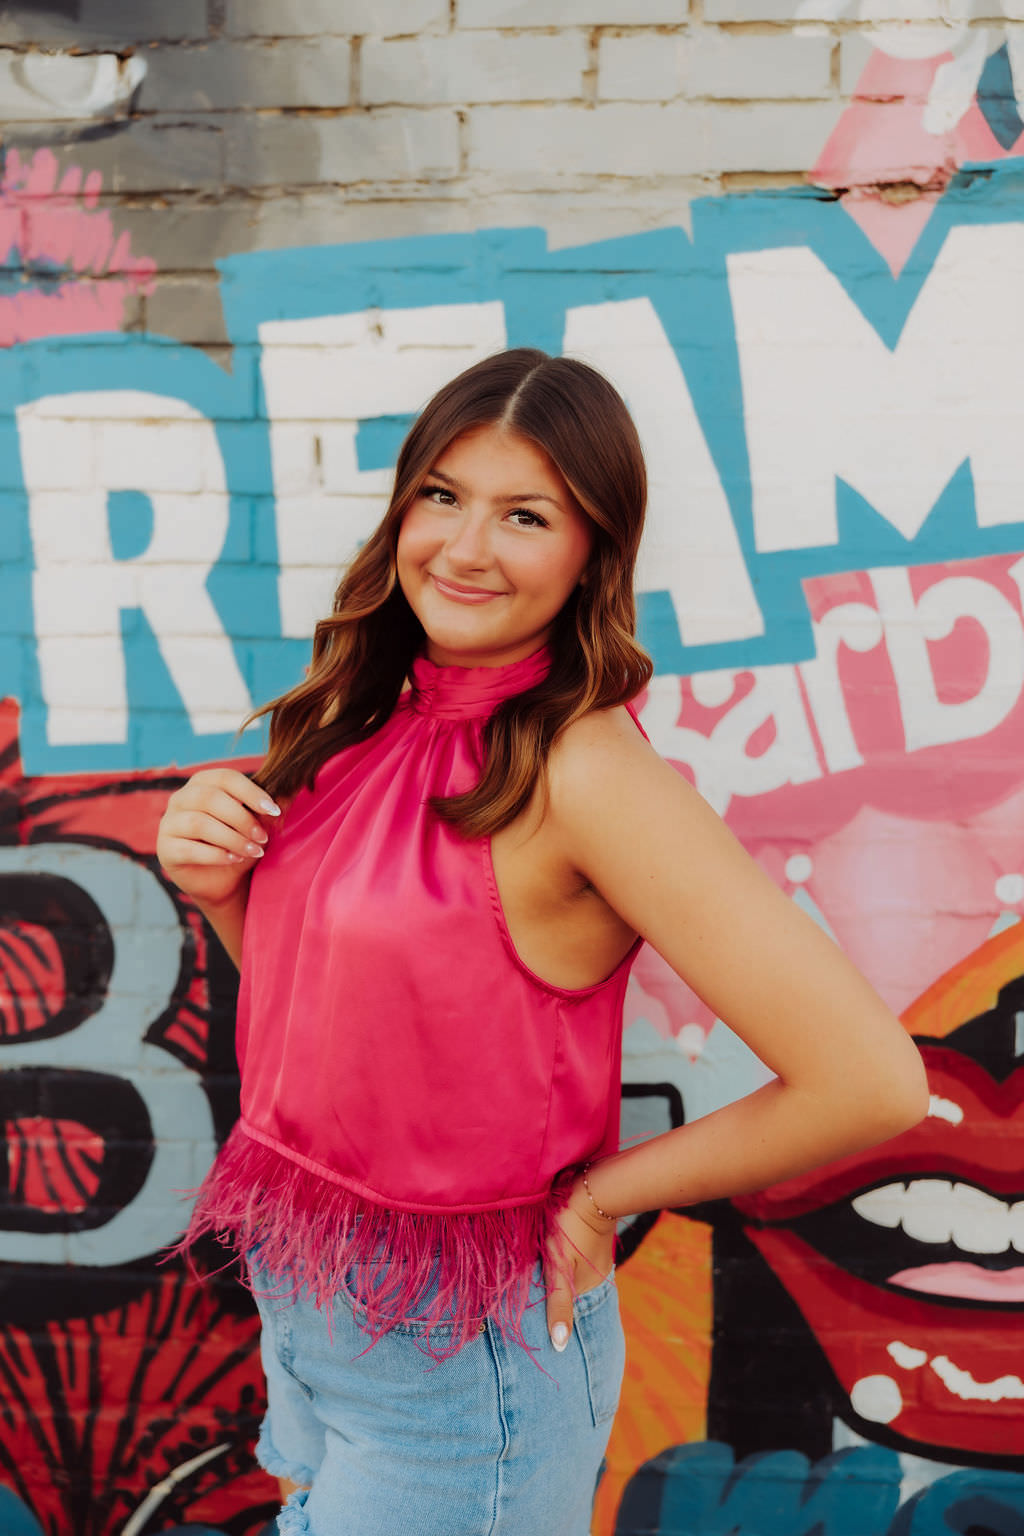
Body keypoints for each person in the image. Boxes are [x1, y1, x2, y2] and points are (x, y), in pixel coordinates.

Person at [156, 348, 927, 1536]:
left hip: (462, 1376)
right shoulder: (367, 713)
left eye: (525, 515)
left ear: (590, 553)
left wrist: (601, 1199)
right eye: (443, 496)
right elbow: (362, 1023)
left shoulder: (586, 771)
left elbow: (870, 1080)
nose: (465, 549)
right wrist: (217, 893)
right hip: (316, 1326)